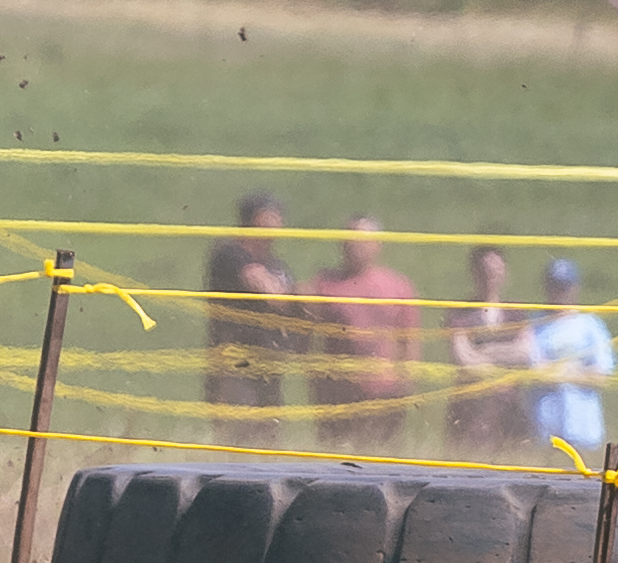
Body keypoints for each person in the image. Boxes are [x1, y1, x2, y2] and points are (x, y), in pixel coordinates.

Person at [306, 215, 421, 452]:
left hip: (385, 393)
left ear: (378, 244)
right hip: (337, 394)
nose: (353, 246)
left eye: (361, 240)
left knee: (383, 460)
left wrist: (406, 383)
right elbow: (307, 336)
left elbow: (409, 340)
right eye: (348, 240)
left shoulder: (397, 286)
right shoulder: (324, 285)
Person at [204, 194, 297, 438]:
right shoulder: (230, 254)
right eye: (272, 216)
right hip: (235, 359)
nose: (279, 223)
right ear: (255, 219)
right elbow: (270, 292)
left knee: (269, 432)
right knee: (239, 431)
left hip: (268, 359)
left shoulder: (277, 264)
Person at [442, 246, 529, 457]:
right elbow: (463, 359)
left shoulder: (516, 312)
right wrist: (503, 359)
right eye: (484, 270)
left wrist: (485, 351)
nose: (490, 276)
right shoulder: (459, 313)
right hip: (468, 412)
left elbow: (525, 353)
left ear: (505, 272)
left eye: (495, 270)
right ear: (474, 272)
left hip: (509, 409)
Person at [525, 258, 616, 459]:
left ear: (575, 287)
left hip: (584, 431)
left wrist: (556, 372)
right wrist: (576, 372)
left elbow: (601, 374)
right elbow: (534, 371)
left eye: (565, 286)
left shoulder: (591, 325)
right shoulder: (534, 324)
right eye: (555, 286)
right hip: (545, 430)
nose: (560, 292)